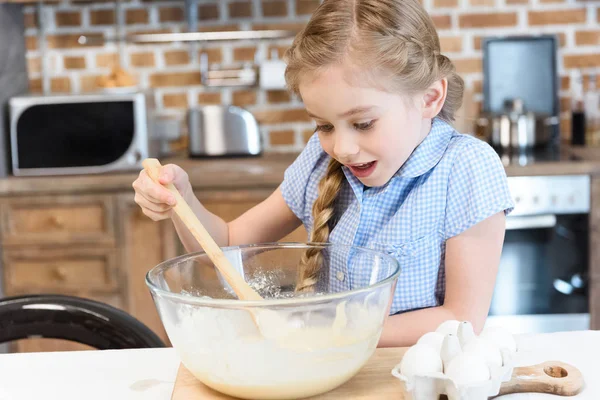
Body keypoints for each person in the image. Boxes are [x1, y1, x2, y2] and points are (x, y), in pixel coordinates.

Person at [132, 0, 514, 347]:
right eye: (324, 126)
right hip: (336, 374)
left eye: (363, 123)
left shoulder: (466, 167)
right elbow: (224, 247)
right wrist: (182, 200)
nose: (343, 148)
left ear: (429, 98)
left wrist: (326, 335)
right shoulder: (319, 160)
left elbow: (462, 320)